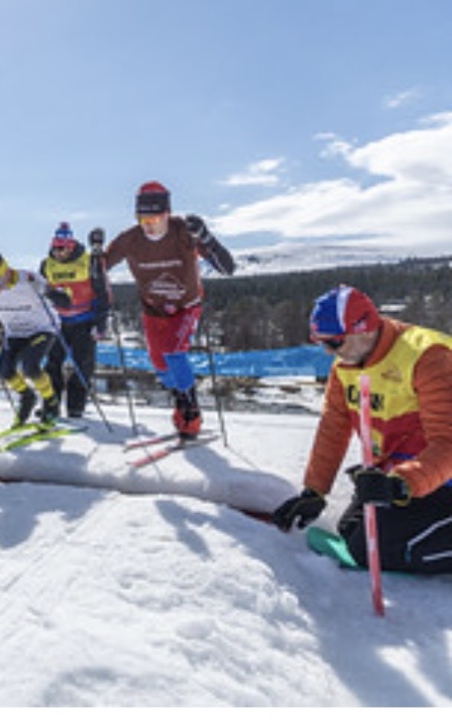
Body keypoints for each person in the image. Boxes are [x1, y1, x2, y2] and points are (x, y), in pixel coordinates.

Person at [271, 285, 452, 574]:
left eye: (334, 342)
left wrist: (401, 484)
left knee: (379, 548)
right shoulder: (346, 366)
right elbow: (333, 427)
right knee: (352, 531)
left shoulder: (427, 357)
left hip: (440, 475)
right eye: (322, 343)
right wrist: (315, 490)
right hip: (408, 476)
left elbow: (447, 443)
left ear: (364, 330)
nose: (328, 351)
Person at [102, 181, 234, 439]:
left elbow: (227, 268)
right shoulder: (130, 239)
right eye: (142, 219)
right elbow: (99, 268)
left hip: (186, 306)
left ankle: (191, 412)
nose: (148, 225)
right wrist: (96, 256)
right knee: (160, 365)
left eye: (154, 218)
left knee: (174, 352)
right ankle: (179, 400)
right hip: (153, 309)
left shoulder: (184, 231)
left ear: (167, 214)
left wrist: (206, 237)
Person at [0, 248, 70, 426]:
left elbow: (63, 299)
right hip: (15, 333)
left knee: (30, 366)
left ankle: (51, 402)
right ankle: (27, 397)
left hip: (42, 328)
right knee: (5, 370)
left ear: (6, 270)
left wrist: (53, 294)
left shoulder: (29, 280)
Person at [39, 221, 111, 419]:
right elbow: (41, 290)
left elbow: (103, 293)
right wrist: (51, 297)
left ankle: (75, 407)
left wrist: (101, 321)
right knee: (52, 364)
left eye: (62, 249)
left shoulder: (88, 262)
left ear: (71, 246)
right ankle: (51, 405)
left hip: (84, 321)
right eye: (55, 248)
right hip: (58, 322)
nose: (58, 253)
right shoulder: (47, 265)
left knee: (83, 365)